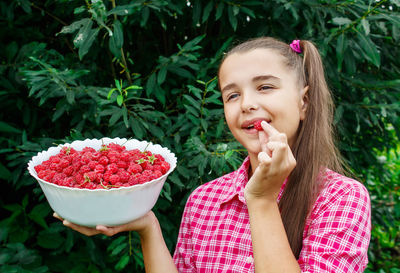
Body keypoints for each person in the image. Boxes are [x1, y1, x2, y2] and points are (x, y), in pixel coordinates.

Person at [54, 37, 371, 272]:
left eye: (264, 87)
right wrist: (147, 225)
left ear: (304, 102)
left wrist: (260, 199)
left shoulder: (341, 198)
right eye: (232, 94)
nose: (246, 103)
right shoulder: (204, 200)